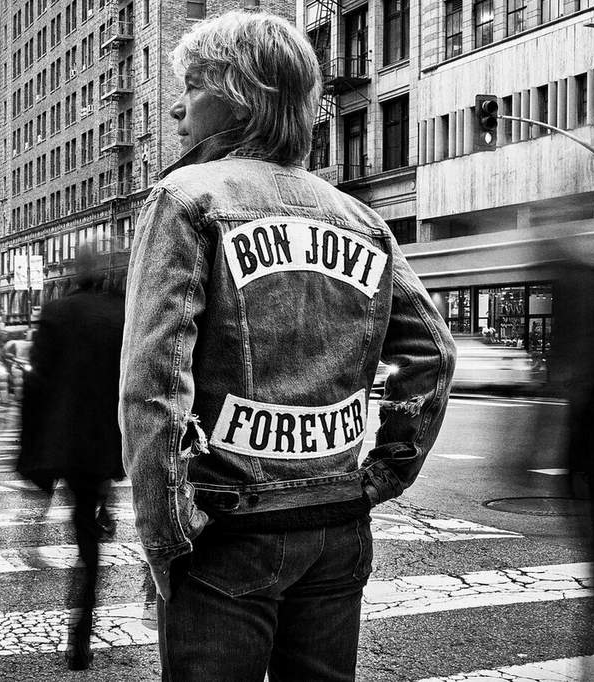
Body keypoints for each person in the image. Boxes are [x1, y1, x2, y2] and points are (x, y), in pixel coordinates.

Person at [117, 11, 456, 681]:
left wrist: (166, 536)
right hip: (337, 525)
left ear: (240, 94)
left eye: (193, 87)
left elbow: (154, 381)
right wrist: (384, 473)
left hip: (229, 529)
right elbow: (433, 354)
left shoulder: (184, 199)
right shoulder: (361, 219)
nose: (178, 109)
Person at [18, 244, 125, 670]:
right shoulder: (119, 314)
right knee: (88, 538)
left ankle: (78, 629)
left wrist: (29, 451)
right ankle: (81, 632)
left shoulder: (56, 313)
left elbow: (35, 383)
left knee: (82, 526)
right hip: (102, 443)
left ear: (74, 274)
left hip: (64, 442)